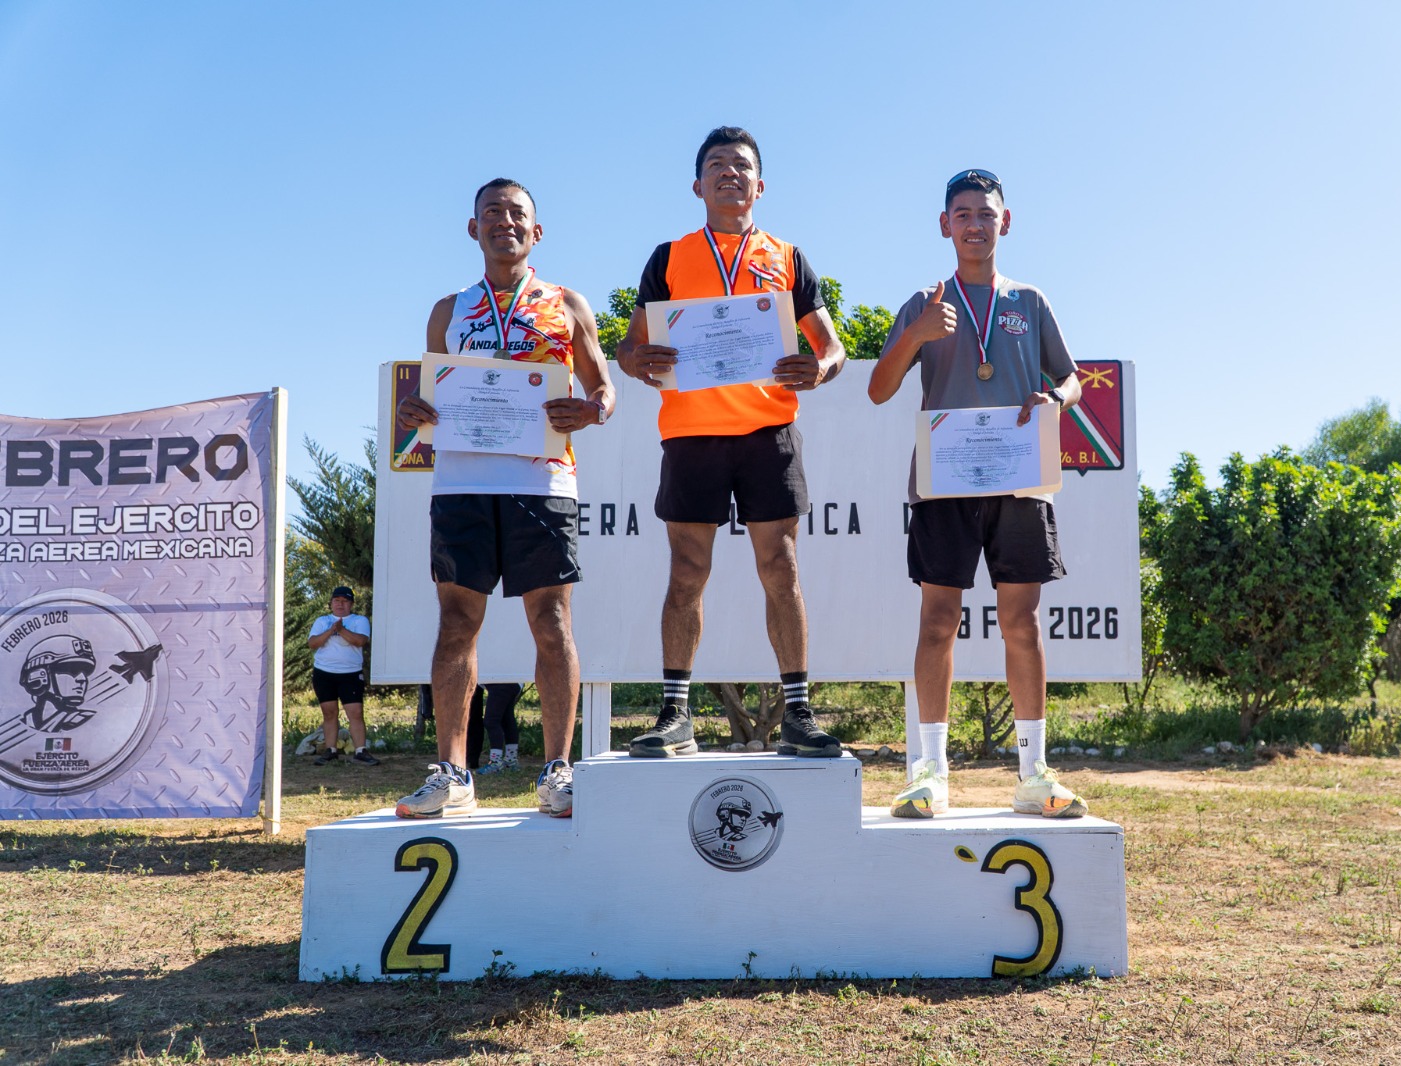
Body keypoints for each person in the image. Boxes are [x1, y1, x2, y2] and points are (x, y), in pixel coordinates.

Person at [615, 126, 846, 760]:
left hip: (768, 431)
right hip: (692, 433)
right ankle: (675, 715)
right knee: (687, 572)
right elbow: (627, 347)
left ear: (760, 184)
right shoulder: (668, 257)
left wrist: (820, 369)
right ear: (697, 184)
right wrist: (641, 360)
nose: (729, 173)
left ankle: (798, 713)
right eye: (716, 164)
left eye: (742, 165)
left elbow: (832, 348)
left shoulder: (790, 257)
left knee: (782, 568)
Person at [868, 169, 1090, 820]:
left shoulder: (1029, 301)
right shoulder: (923, 302)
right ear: (945, 225)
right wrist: (916, 335)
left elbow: (1073, 379)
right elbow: (879, 390)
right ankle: (930, 774)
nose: (974, 224)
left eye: (985, 214)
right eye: (962, 214)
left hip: (1021, 478)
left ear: (1006, 221)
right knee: (938, 622)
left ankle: (1032, 773)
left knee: (1021, 623)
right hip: (945, 485)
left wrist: (1057, 398)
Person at [394, 178, 615, 819]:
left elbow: (604, 388)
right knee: (457, 623)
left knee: (551, 622)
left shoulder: (566, 301)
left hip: (542, 479)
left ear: (536, 232)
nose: (505, 222)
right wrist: (414, 412)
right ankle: (454, 772)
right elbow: (428, 397)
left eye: (517, 213)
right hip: (461, 481)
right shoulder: (447, 309)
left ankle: (557, 771)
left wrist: (591, 409)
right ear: (473, 229)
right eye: (492, 212)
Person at [307, 586, 377, 766]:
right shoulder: (322, 621)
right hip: (324, 673)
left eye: (344, 601)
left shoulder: (359, 620)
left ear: (351, 604)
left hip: (350, 674)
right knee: (329, 713)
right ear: (331, 603)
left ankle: (360, 750)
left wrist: (341, 630)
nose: (340, 604)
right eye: (336, 601)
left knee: (355, 712)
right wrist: (331, 630)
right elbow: (313, 643)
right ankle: (330, 750)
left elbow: (360, 640)